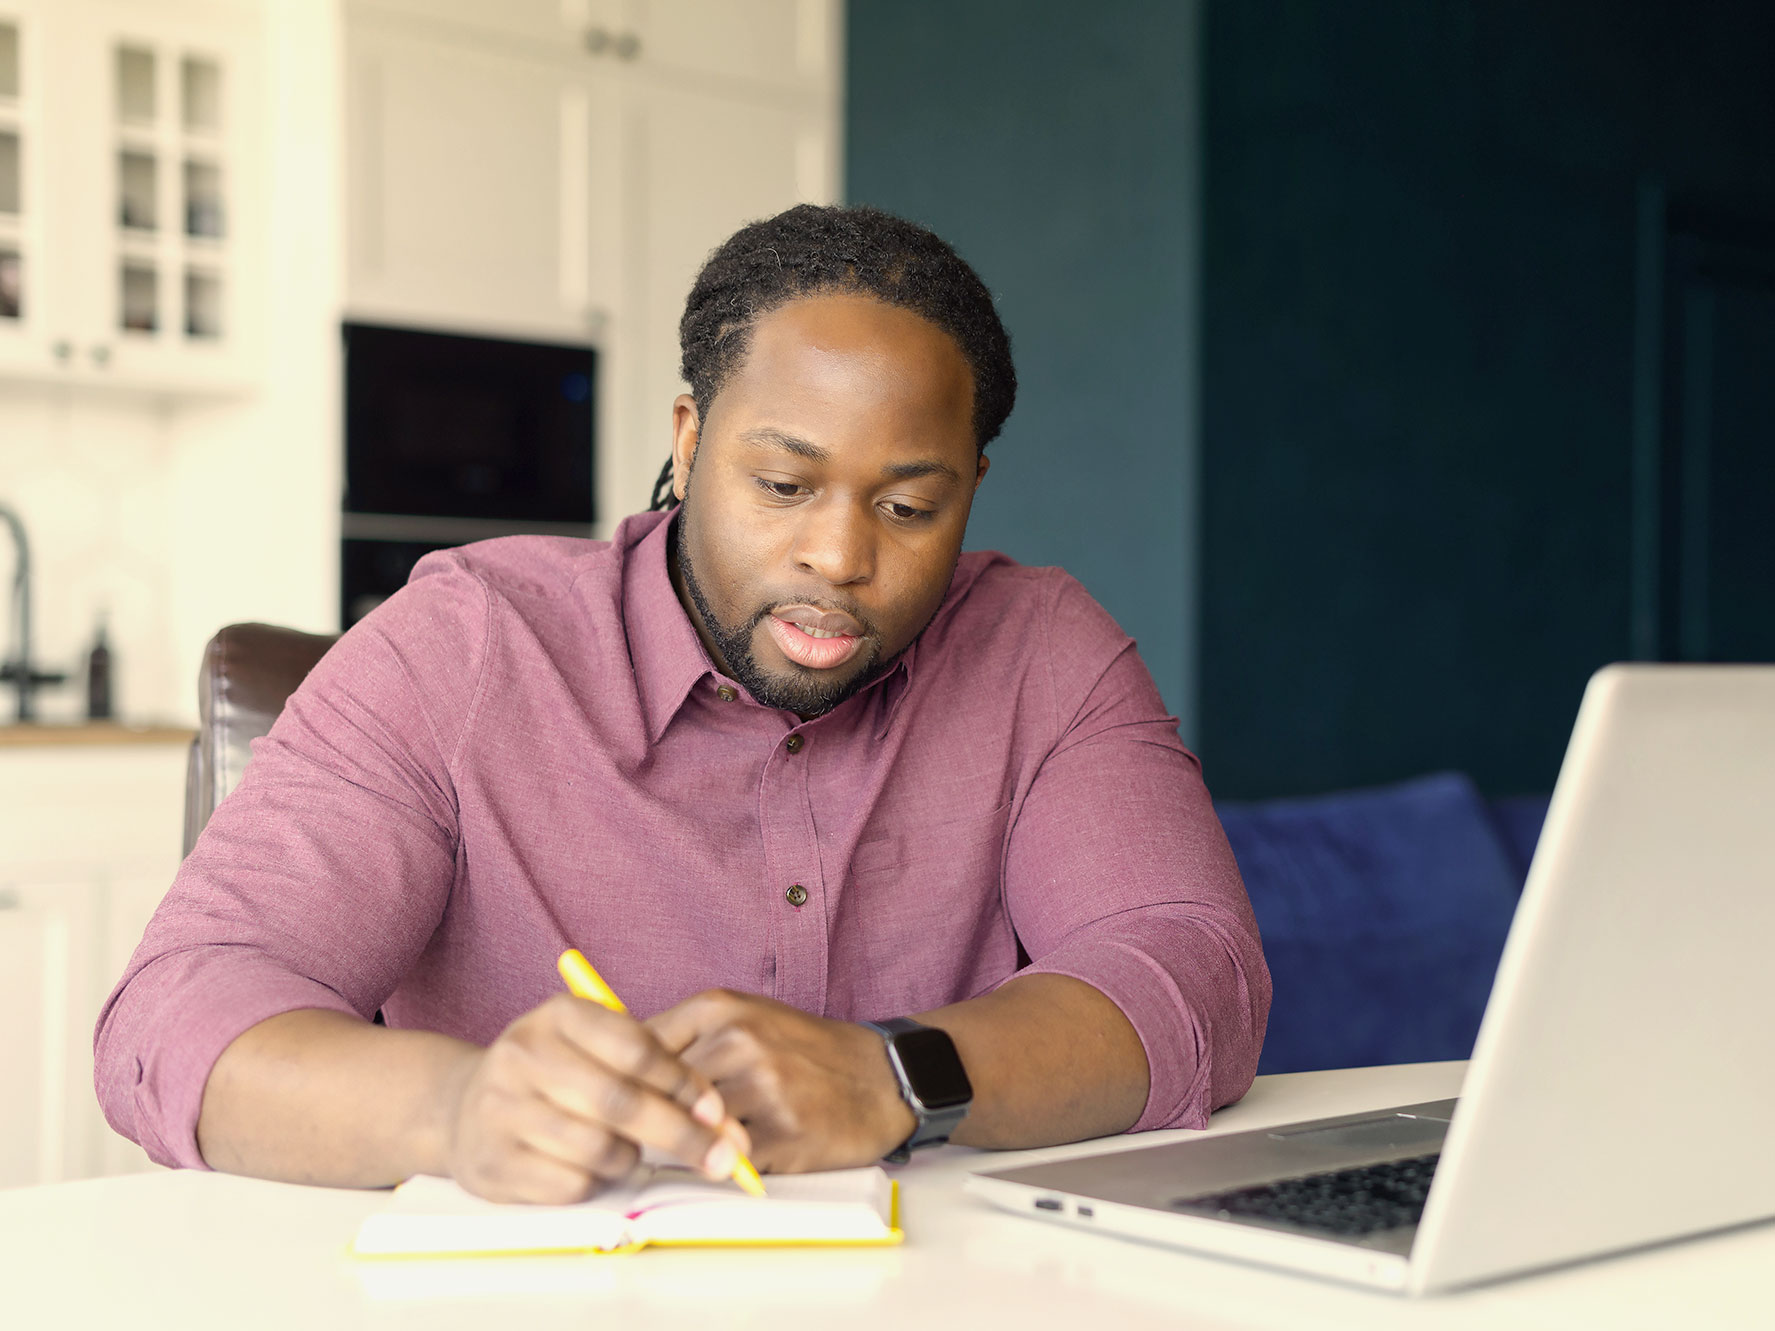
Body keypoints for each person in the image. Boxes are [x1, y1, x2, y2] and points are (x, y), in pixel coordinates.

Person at [95, 205, 1270, 1203]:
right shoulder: (461, 646)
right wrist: (454, 1108)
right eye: (782, 483)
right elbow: (175, 1014)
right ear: (690, 438)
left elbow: (1192, 970)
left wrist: (892, 1075)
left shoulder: (1041, 650)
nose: (839, 556)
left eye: (908, 507)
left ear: (970, 488)